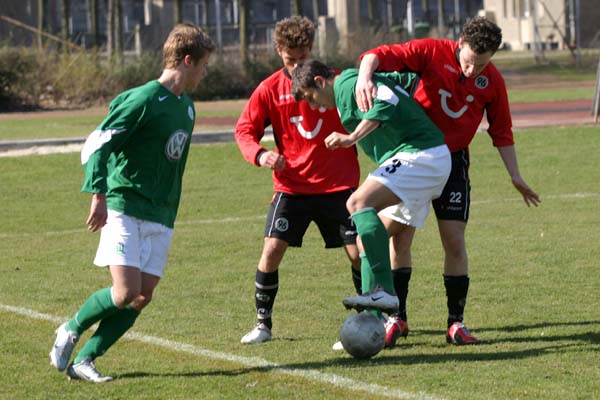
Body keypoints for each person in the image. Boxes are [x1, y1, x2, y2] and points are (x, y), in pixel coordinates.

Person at [355, 16, 541, 346]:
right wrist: (364, 78)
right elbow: (377, 54)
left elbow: (501, 130)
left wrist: (515, 175)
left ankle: (456, 323)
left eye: (481, 65)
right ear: (460, 44)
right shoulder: (430, 52)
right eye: (469, 62)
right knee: (400, 238)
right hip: (414, 156)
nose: (472, 71)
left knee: (454, 241)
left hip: (454, 163)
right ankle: (397, 318)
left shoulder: (492, 81)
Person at [48, 23, 215, 382]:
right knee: (125, 292)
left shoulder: (187, 108)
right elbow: (97, 144)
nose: (206, 72)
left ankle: (85, 360)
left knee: (142, 296)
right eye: (203, 65)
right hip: (125, 205)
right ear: (187, 61)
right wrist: (98, 195)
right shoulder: (142, 100)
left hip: (162, 213)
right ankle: (71, 328)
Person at [291, 60, 451, 341]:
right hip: (422, 159)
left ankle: (383, 291)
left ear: (320, 81)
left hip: (420, 155)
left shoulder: (348, 85)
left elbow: (387, 100)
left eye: (310, 97)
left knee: (357, 203)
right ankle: (371, 324)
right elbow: (401, 82)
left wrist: (352, 137)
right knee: (367, 241)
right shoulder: (354, 82)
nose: (314, 106)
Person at [235, 16, 362, 345]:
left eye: (302, 58)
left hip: (338, 185)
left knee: (358, 253)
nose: (296, 66)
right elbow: (244, 130)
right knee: (272, 250)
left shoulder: (335, 82)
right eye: (290, 59)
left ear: (312, 49)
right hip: (292, 187)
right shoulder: (269, 89)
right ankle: (263, 325)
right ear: (279, 51)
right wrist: (261, 155)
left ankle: (369, 319)